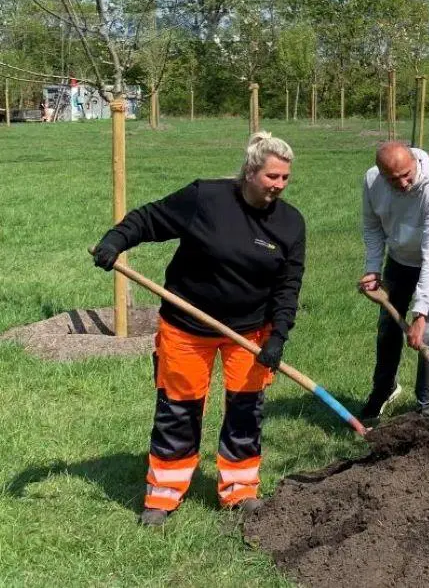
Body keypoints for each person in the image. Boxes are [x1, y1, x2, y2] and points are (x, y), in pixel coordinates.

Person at [90, 132, 306, 526]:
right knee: (179, 407)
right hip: (187, 326)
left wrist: (278, 336)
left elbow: (288, 286)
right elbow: (149, 218)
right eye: (272, 176)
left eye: (285, 178)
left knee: (246, 410)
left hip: (251, 331)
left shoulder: (290, 224)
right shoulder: (206, 199)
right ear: (250, 171)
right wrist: (115, 240)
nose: (278, 185)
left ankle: (240, 491)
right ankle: (164, 493)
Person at [358, 141, 429, 422]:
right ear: (381, 174)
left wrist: (421, 311)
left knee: (426, 335)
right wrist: (372, 269)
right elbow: (372, 227)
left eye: (407, 174)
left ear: (414, 163)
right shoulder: (372, 181)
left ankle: (425, 413)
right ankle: (383, 390)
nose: (404, 183)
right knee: (388, 329)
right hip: (400, 257)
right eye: (394, 179)